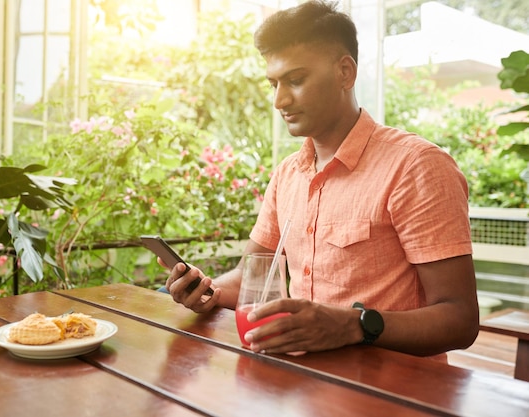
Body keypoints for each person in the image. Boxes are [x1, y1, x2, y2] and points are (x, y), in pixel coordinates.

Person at [162, 0, 479, 359]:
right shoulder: (287, 174)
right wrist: (208, 292)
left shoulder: (416, 166)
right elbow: (250, 280)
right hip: (301, 385)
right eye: (274, 84)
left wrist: (353, 324)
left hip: (393, 393)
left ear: (345, 72)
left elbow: (460, 319)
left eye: (295, 80)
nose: (280, 100)